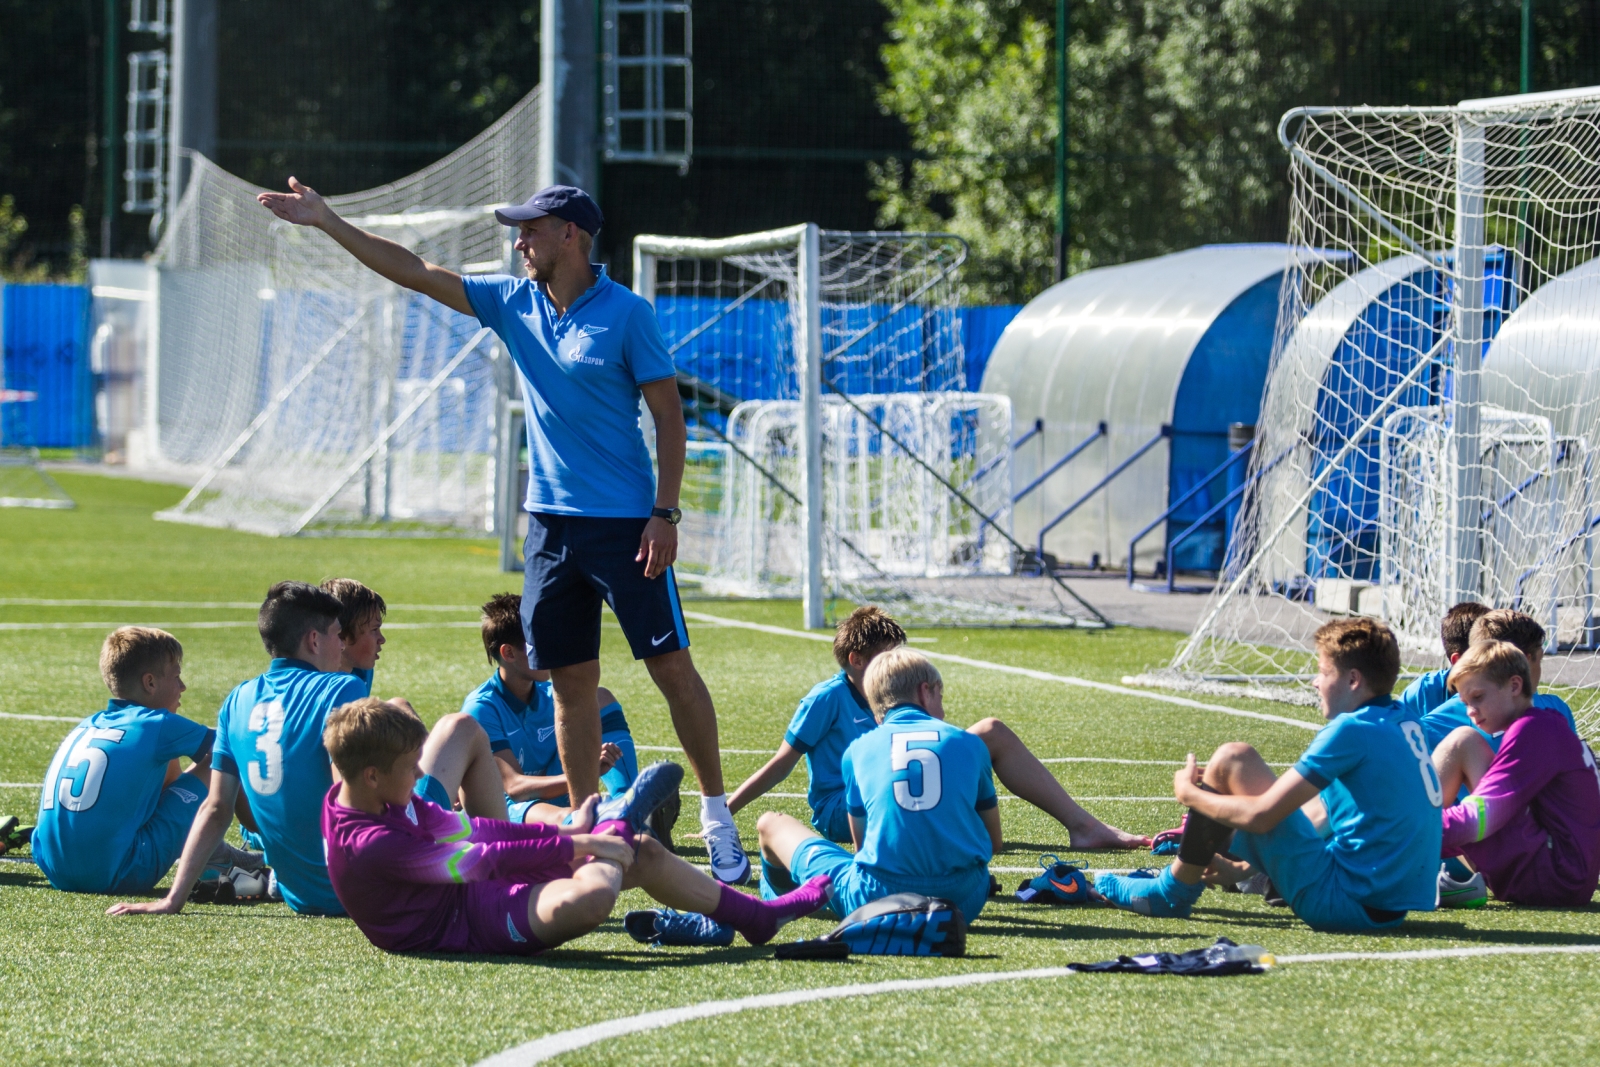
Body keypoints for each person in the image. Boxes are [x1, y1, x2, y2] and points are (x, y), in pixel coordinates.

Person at [258, 179, 750, 884]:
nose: (518, 242)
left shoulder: (628, 314)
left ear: (571, 235)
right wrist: (328, 221)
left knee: (671, 668)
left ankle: (716, 816)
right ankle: (587, 830)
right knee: (568, 684)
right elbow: (418, 272)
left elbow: (669, 416)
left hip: (628, 528)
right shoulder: (513, 300)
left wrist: (665, 512)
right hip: (550, 528)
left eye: (530, 230)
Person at [107, 581, 506, 918]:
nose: (342, 644)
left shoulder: (236, 700)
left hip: (302, 896)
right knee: (461, 727)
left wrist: (172, 899)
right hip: (361, 888)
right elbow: (357, 801)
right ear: (314, 640)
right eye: (338, 634)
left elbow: (216, 808)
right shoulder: (339, 689)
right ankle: (506, 869)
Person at [319, 698, 830, 954]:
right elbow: (481, 862)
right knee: (587, 898)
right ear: (371, 775)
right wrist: (578, 845)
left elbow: (475, 832)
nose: (419, 775)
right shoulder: (371, 844)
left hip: (468, 891)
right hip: (460, 925)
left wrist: (565, 838)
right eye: (411, 767)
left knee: (644, 851)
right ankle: (612, 829)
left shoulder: (378, 799)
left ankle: (757, 918)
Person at [1096, 617, 1443, 932]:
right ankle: (1187, 880)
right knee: (1242, 766)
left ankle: (1169, 893)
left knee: (1233, 759)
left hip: (1342, 903)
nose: (1314, 682)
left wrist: (1189, 793)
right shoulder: (1403, 718)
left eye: (1322, 672)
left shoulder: (1352, 730)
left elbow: (1262, 817)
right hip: (1387, 907)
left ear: (1353, 680)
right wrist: (1245, 869)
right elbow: (1324, 813)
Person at [729, 605, 1146, 849]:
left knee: (991, 731)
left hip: (898, 788)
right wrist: (724, 812)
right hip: (845, 810)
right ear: (856, 660)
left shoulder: (902, 690)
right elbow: (782, 764)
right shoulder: (826, 699)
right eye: (885, 656)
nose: (897, 664)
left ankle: (1083, 826)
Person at [755, 648, 1001, 925]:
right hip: (964, 900)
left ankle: (777, 898)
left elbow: (863, 851)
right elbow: (994, 842)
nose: (943, 712)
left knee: (771, 824)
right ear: (924, 691)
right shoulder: (970, 744)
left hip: (878, 899)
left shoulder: (857, 751)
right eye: (940, 697)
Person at [32, 628, 244, 894]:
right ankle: (222, 852)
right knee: (223, 754)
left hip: (55, 871)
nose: (183, 687)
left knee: (164, 761)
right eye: (177, 677)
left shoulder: (85, 726)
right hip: (122, 874)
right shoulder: (158, 724)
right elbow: (233, 748)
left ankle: (212, 848)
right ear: (150, 683)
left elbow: (170, 783)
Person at [462, 593, 664, 838]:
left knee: (598, 697)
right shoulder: (482, 708)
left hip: (559, 796)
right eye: (538, 643)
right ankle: (619, 821)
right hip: (511, 809)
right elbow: (514, 788)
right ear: (508, 653)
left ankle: (628, 804)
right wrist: (588, 770)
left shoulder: (552, 695)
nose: (552, 650)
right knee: (565, 818)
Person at [1435, 640, 1600, 907]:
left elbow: (1481, 816)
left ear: (1514, 686)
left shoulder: (1532, 731)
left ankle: (1397, 864)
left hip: (1550, 878)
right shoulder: (1547, 724)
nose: (1470, 711)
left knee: (1463, 742)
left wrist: (1405, 831)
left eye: (1477, 697)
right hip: (1568, 878)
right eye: (1465, 702)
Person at [1421, 609, 1578, 753]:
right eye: (1540, 661)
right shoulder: (1558, 710)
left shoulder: (1556, 709)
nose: (1471, 710)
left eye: (1478, 697)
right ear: (1524, 662)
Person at [1396, 601, 1491, 720]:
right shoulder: (1424, 691)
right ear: (1459, 661)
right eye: (1487, 654)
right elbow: (1393, 732)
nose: (1496, 658)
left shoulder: (1503, 691)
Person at [319, 577, 388, 693]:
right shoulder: (315, 685)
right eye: (374, 629)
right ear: (341, 635)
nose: (382, 639)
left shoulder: (363, 671)